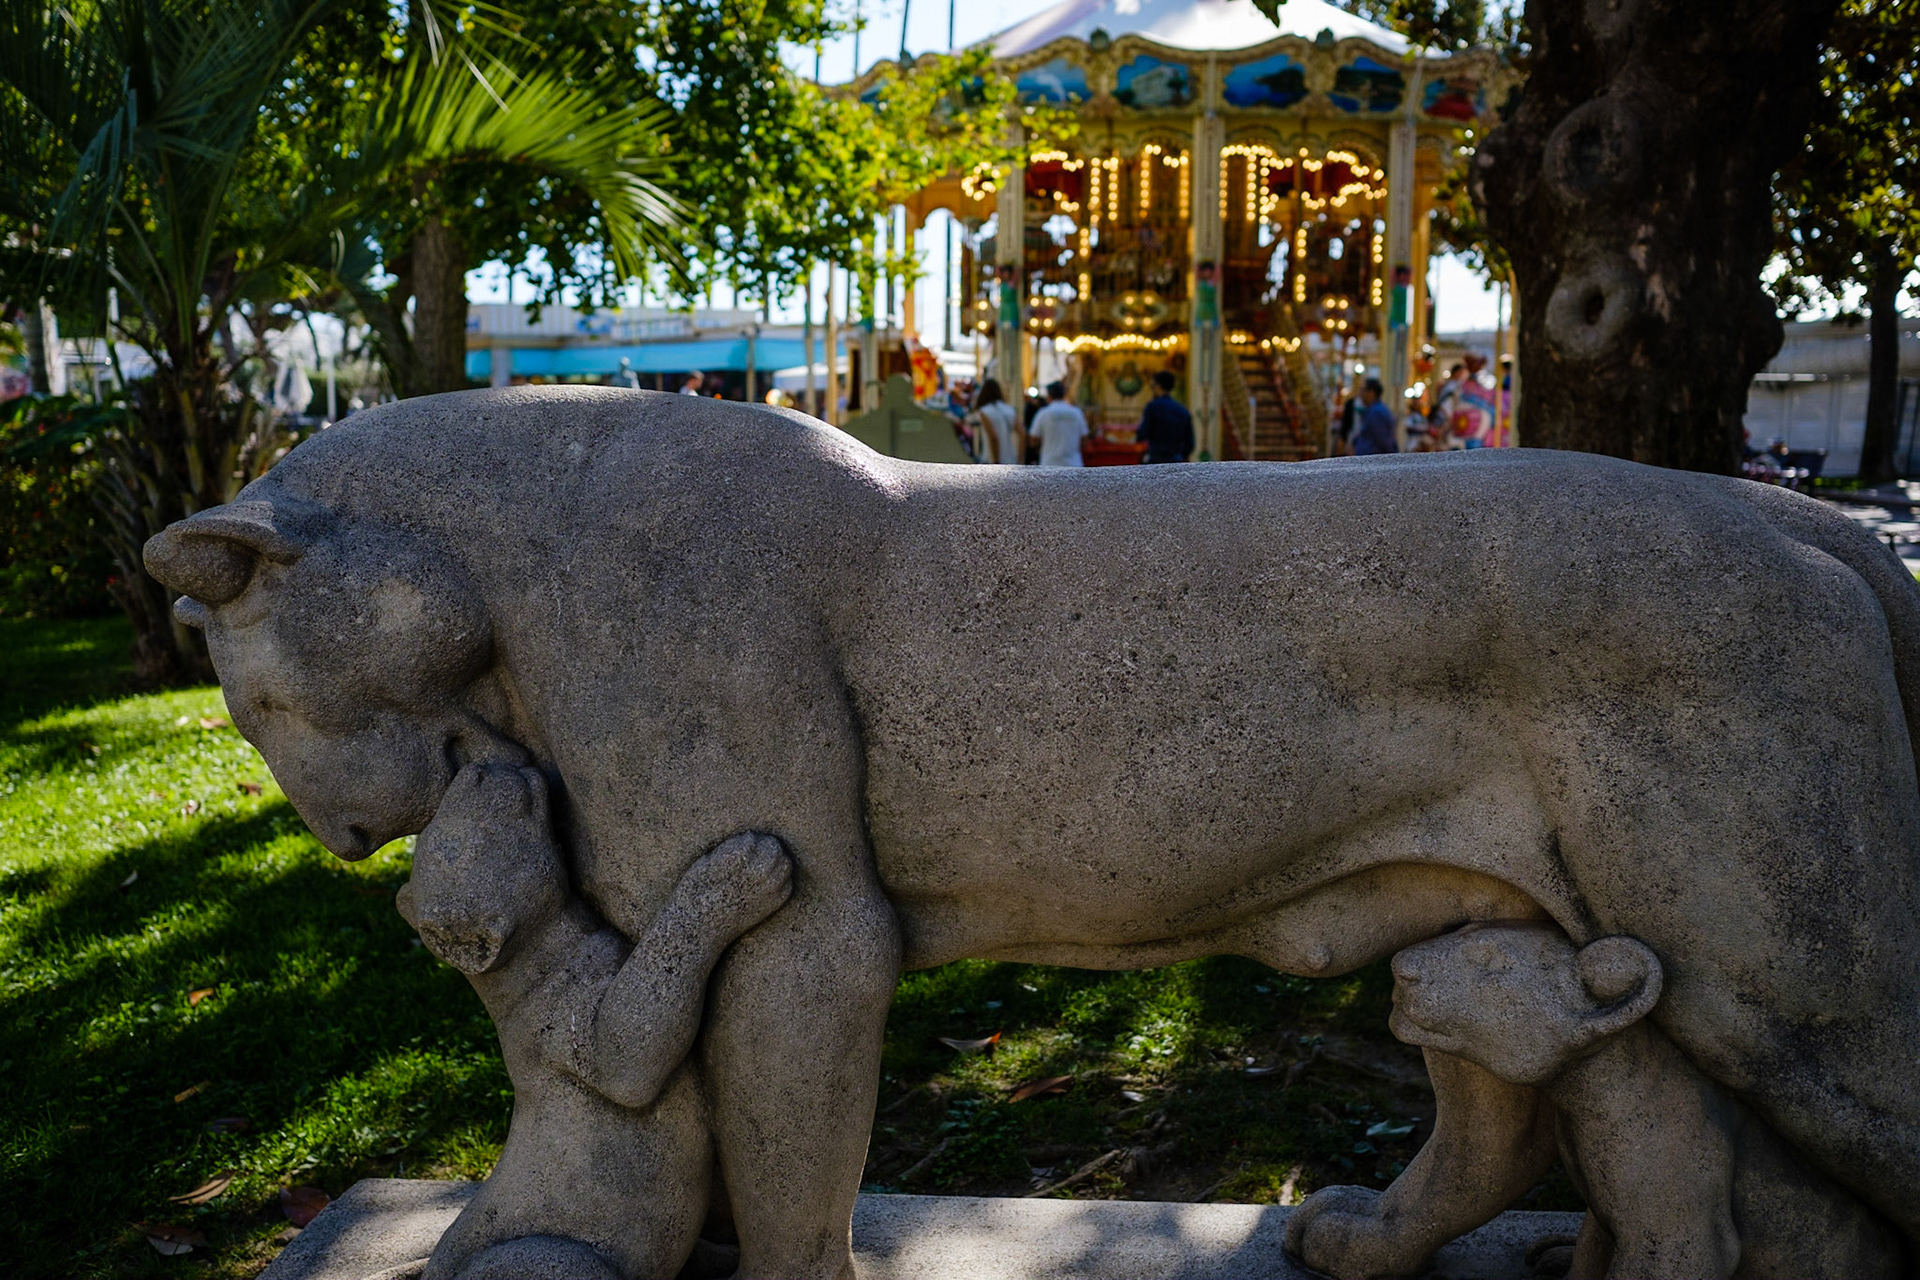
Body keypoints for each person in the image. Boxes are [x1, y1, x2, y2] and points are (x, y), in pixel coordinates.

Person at [1136, 371, 1195, 464]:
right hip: (1176, 461)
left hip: (1155, 460)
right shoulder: (1183, 410)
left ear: (1158, 386)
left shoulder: (1152, 407)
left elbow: (1142, 434)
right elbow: (1190, 443)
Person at [1029, 380, 1089, 468]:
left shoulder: (1043, 413)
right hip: (1073, 464)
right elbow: (1085, 438)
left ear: (1049, 396)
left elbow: (1033, 440)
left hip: (1050, 464)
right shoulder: (1076, 413)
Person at [972, 378, 1021, 466]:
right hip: (1011, 459)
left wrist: (996, 460)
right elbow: (1022, 433)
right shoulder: (1010, 410)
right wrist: (1020, 459)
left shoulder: (984, 411)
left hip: (990, 459)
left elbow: (993, 437)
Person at [1352, 377, 1398, 456]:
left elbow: (1383, 441)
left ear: (1371, 392)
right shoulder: (1372, 410)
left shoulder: (1377, 413)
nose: (1360, 393)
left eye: (1363, 390)